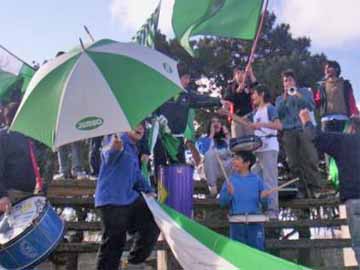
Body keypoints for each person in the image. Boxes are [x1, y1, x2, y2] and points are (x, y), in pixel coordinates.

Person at [299, 109, 360, 266]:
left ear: (350, 128)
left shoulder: (343, 141)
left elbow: (315, 136)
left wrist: (306, 120)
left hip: (354, 198)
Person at [95, 124, 159, 270]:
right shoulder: (114, 138)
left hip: (129, 199)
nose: (141, 128)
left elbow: (136, 175)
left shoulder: (133, 148)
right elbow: (108, 156)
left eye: (144, 125)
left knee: (153, 219)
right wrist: (113, 149)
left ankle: (133, 263)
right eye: (137, 123)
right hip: (111, 201)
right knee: (113, 245)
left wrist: (149, 191)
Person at [154, 67, 224, 175]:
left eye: (188, 78)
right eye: (185, 78)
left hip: (177, 139)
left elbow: (202, 99)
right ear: (177, 77)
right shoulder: (163, 92)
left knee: (179, 170)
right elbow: (153, 111)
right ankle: (160, 191)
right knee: (160, 169)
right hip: (162, 138)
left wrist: (219, 101)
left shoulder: (187, 95)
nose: (187, 81)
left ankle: (177, 191)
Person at [275, 69, 325, 198]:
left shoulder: (304, 92)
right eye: (285, 81)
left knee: (311, 159)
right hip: (288, 132)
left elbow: (311, 106)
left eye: (290, 80)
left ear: (294, 81)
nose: (288, 82)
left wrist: (297, 95)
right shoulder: (280, 98)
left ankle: (316, 189)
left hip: (303, 129)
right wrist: (285, 98)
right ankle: (301, 190)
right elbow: (277, 114)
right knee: (293, 163)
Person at [219, 151, 271, 250]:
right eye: (234, 159)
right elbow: (222, 203)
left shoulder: (257, 180)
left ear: (247, 163)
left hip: (255, 224)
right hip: (236, 224)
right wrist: (228, 194)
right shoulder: (230, 180)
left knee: (257, 254)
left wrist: (264, 198)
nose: (234, 161)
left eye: (237, 159)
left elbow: (265, 206)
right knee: (238, 254)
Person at [53, 51, 87, 181]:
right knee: (61, 142)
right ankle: (64, 170)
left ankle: (78, 169)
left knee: (76, 142)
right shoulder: (55, 76)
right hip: (60, 115)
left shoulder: (75, 74)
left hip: (74, 113)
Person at [0, 102, 36, 213]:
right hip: (10, 196)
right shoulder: (3, 137)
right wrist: (2, 195)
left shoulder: (27, 137)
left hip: (28, 195)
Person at [315, 60, 359, 132]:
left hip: (343, 119)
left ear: (336, 69)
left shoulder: (345, 84)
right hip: (326, 120)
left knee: (343, 142)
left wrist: (356, 114)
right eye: (325, 68)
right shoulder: (322, 86)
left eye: (329, 67)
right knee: (327, 143)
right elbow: (317, 101)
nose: (326, 70)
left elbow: (351, 101)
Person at [196, 116, 232, 196]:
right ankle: (213, 188)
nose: (216, 124)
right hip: (211, 170)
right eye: (213, 122)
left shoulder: (226, 139)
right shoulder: (203, 139)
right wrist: (211, 134)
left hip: (226, 169)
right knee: (210, 154)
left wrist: (227, 134)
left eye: (218, 122)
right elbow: (204, 151)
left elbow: (233, 152)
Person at [223, 66, 257, 138]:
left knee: (250, 141)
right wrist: (237, 91)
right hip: (236, 118)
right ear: (235, 76)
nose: (240, 75)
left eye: (242, 73)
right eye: (238, 73)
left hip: (249, 118)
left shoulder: (248, 85)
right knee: (238, 142)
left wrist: (251, 73)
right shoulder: (230, 87)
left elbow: (258, 89)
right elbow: (227, 101)